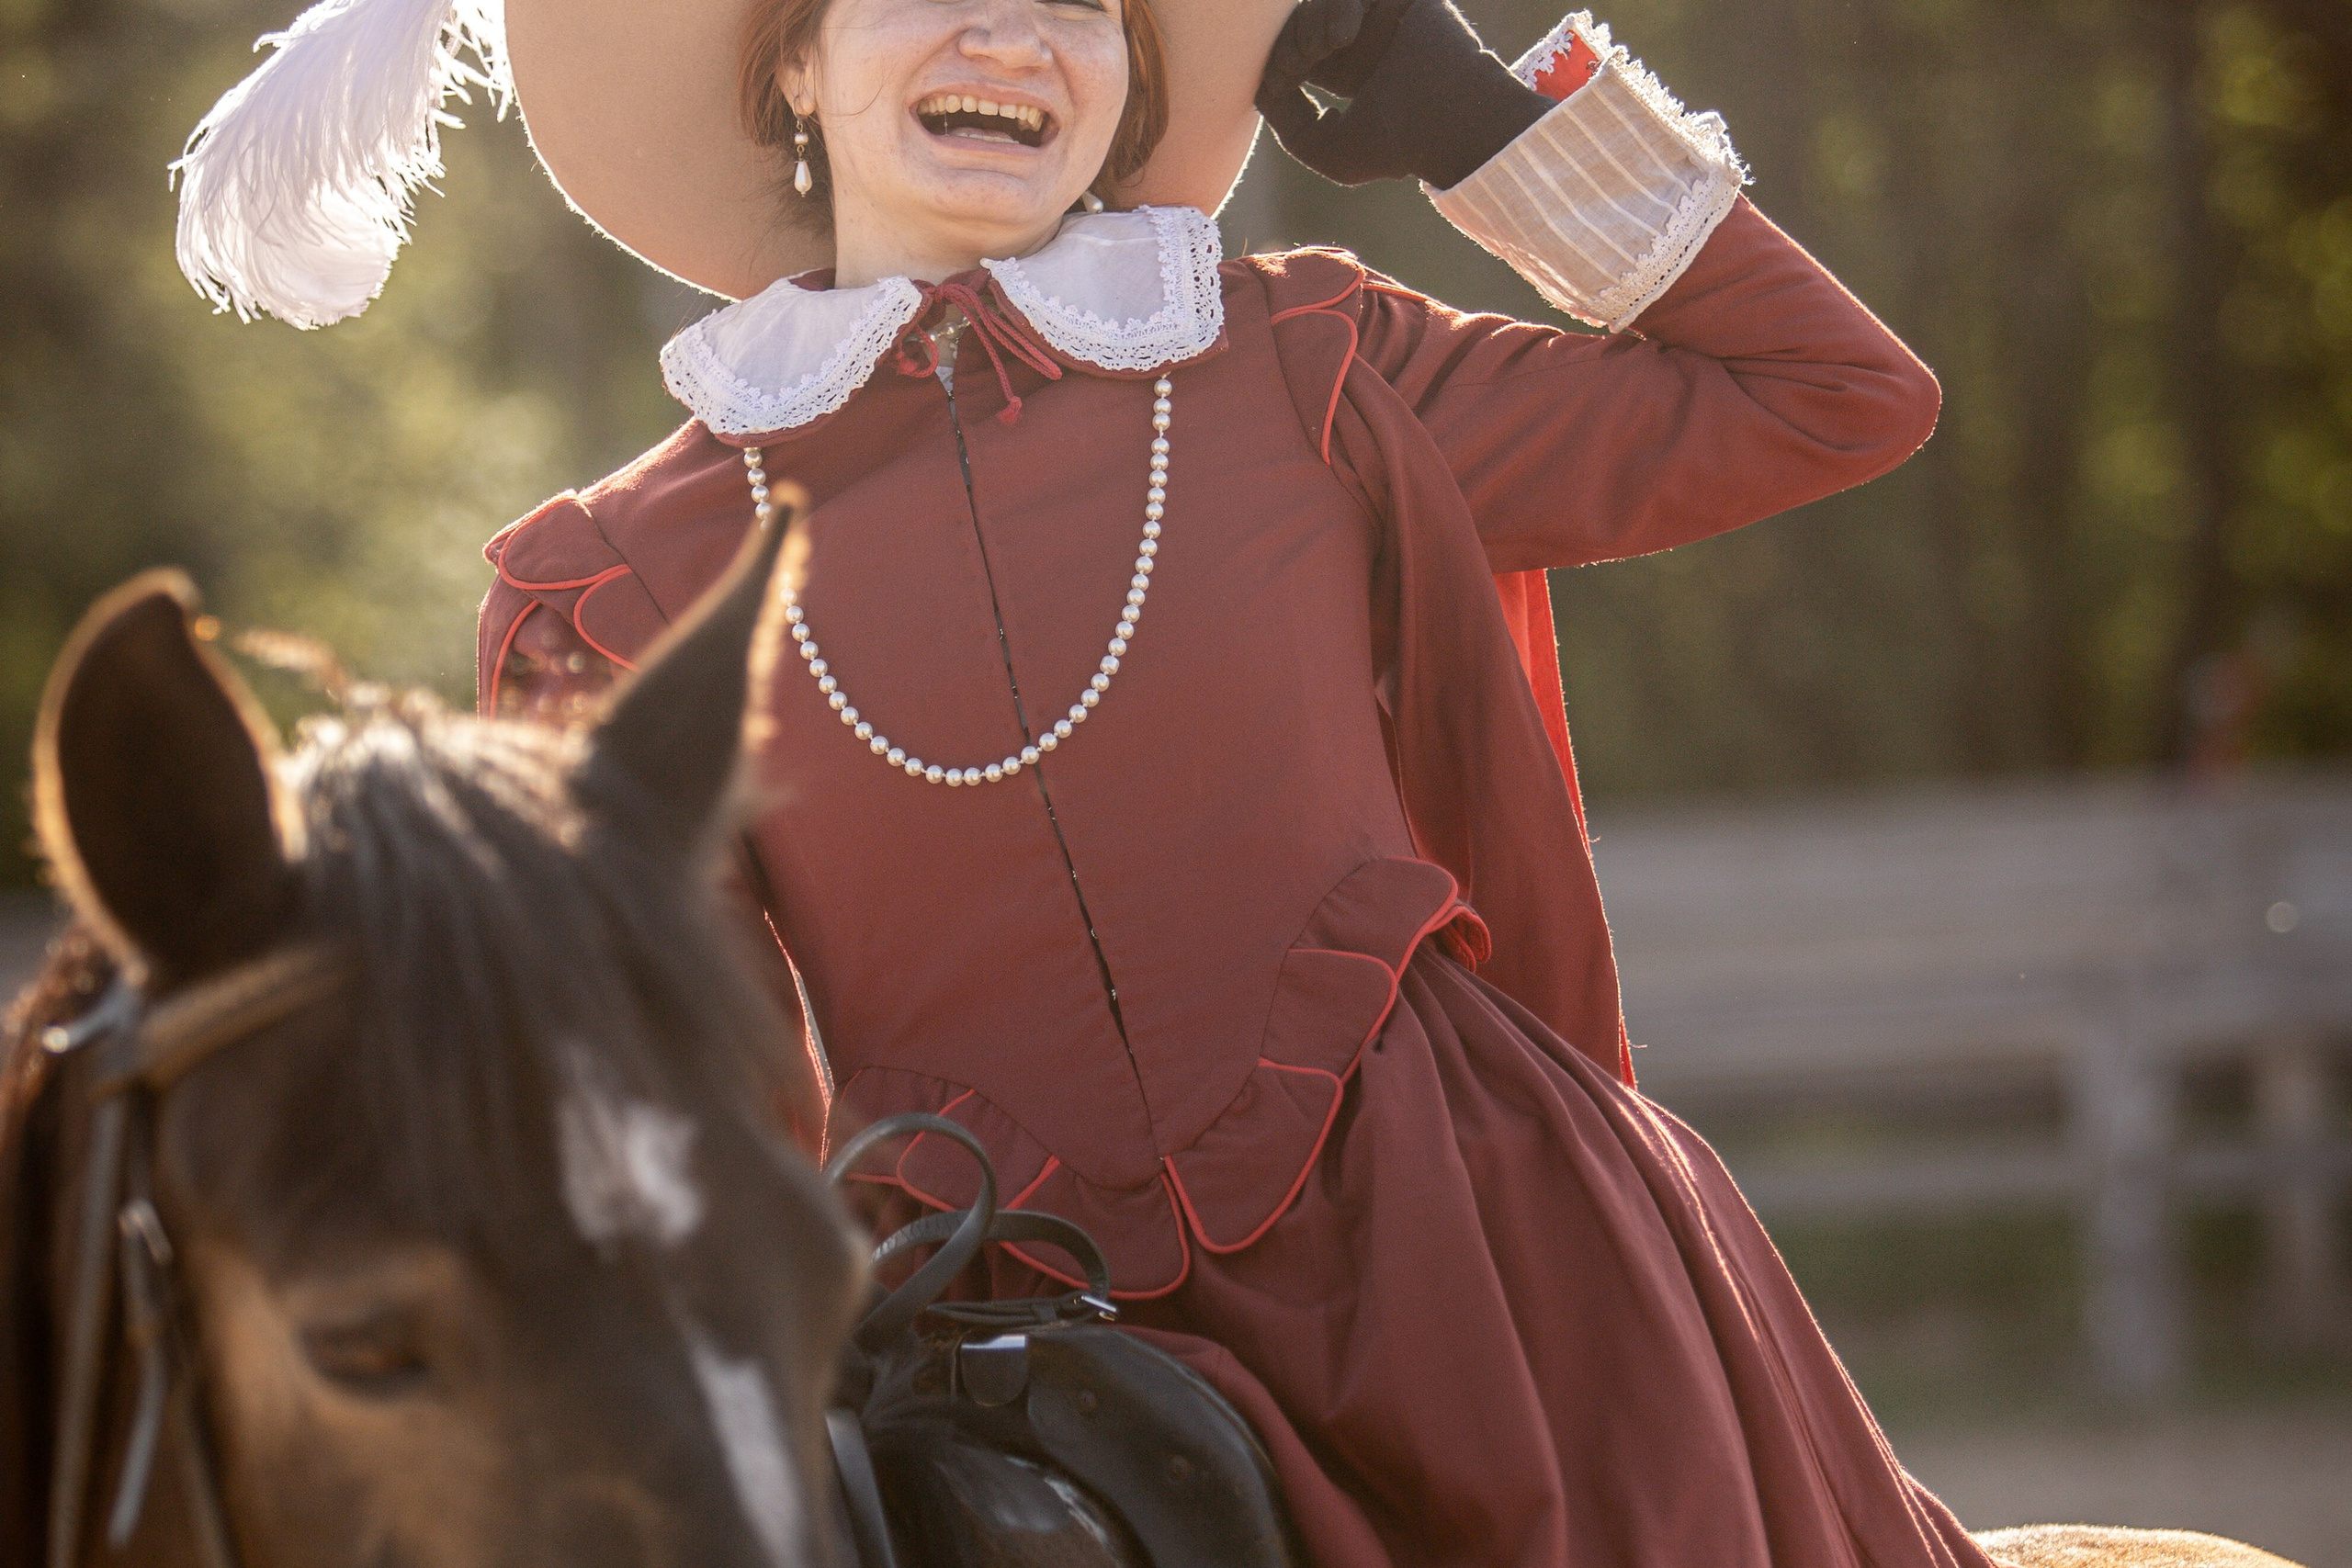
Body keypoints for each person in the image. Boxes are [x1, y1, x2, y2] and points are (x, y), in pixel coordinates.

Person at [178, 0, 1978, 1563]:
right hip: (1001, 1383)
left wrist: (1486, 130)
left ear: (1124, 83)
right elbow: (685, 1094)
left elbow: (1831, 395)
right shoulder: (609, 589)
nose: (1007, 32)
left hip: (1506, 1288)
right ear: (794, 62)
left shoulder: (1305, 361)